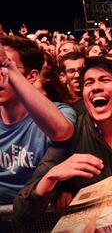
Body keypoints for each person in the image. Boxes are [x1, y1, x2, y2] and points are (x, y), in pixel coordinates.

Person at [14, 57, 112, 222]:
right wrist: (52, 179)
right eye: (89, 83)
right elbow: (21, 211)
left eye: (105, 80)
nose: (96, 87)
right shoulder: (71, 132)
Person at [0, 36, 76, 204]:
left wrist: (7, 64)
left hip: (38, 216)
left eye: (4, 67)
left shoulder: (59, 111)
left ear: (31, 76)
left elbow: (62, 131)